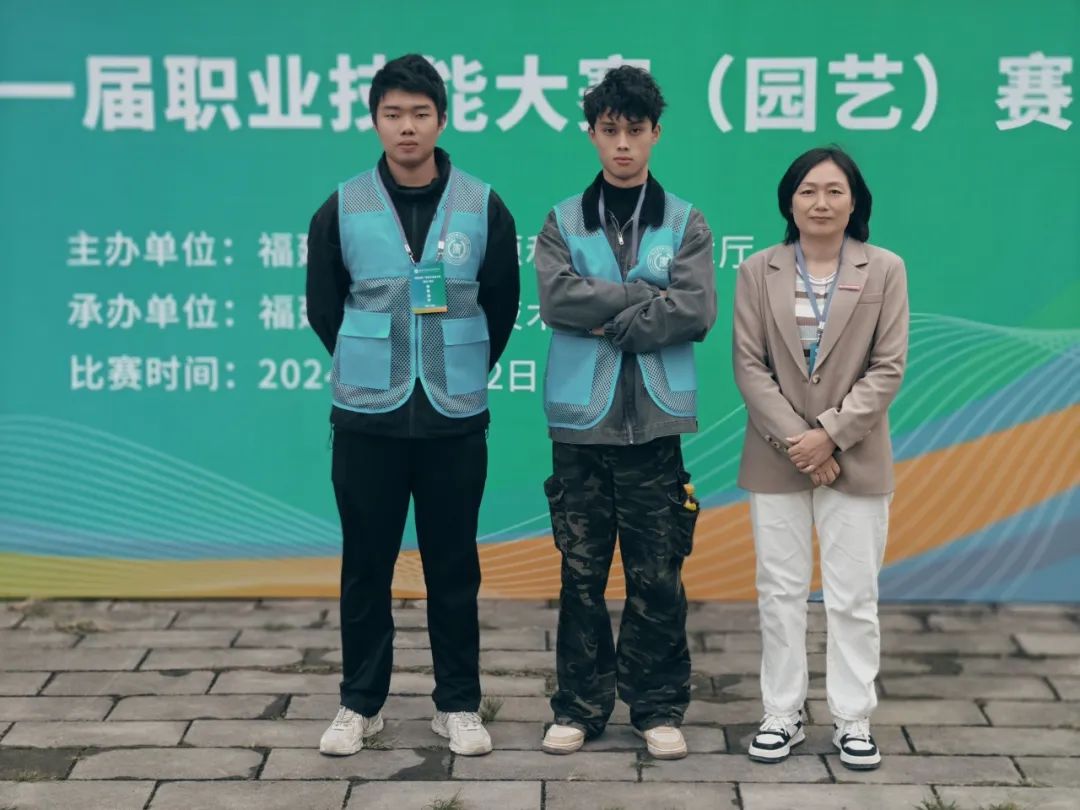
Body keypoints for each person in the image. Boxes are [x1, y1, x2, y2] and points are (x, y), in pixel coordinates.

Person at [305, 53, 519, 758]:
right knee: (365, 566)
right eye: (393, 114)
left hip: (453, 419)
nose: (407, 127)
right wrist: (379, 363)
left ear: (441, 120)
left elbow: (501, 303)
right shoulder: (342, 205)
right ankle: (359, 704)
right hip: (367, 418)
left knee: (454, 567)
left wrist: (453, 366)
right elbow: (323, 307)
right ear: (375, 120)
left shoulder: (482, 205)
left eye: (420, 114)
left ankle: (457, 704)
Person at [534, 65, 717, 760]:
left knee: (657, 575)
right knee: (580, 576)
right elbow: (557, 301)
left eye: (634, 131)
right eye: (609, 130)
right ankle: (579, 708)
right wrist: (643, 296)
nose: (622, 144)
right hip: (581, 426)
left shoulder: (685, 221)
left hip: (657, 426)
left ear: (655, 134)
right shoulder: (561, 220)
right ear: (591, 134)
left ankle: (657, 707)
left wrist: (607, 309)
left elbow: (695, 310)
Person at [732, 146, 908, 770]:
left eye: (834, 191)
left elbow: (887, 368)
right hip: (777, 455)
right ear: (789, 202)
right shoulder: (759, 270)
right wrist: (800, 443)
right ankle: (782, 712)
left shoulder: (884, 268)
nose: (821, 203)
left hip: (854, 455)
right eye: (808, 191)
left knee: (853, 595)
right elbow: (749, 366)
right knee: (779, 591)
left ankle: (853, 718)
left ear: (854, 201)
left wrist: (829, 436)